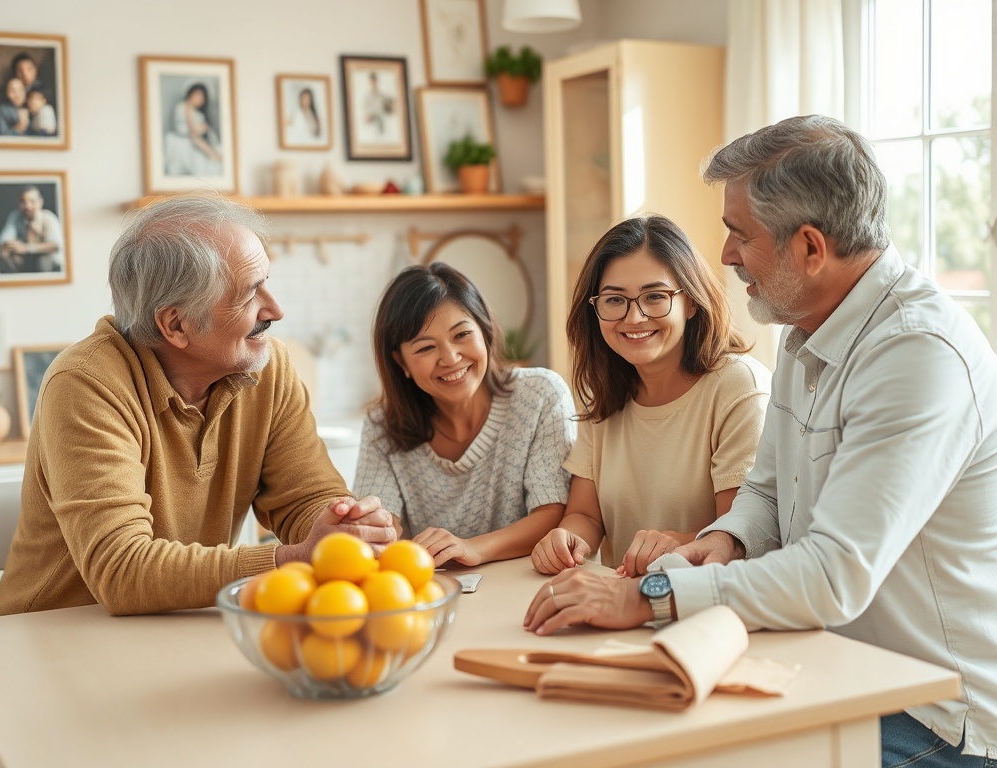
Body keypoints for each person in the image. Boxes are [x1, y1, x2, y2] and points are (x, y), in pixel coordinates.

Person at [523, 115, 997, 765]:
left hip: (933, 715)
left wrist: (646, 597)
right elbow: (767, 492)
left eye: (738, 235)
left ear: (808, 247)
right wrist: (724, 540)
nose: (723, 257)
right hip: (835, 664)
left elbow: (833, 573)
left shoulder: (917, 355)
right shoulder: (806, 332)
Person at [0, 194, 396, 617]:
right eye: (250, 293)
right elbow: (122, 570)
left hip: (174, 625)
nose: (276, 309)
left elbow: (305, 496)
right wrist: (289, 560)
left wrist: (340, 527)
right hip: (48, 636)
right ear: (176, 324)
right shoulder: (85, 385)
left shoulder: (268, 367)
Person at [530, 215, 771, 578]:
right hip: (619, 601)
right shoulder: (605, 390)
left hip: (705, 603)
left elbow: (738, 535)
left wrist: (676, 544)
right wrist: (567, 538)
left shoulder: (737, 386)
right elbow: (586, 515)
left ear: (691, 302)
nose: (634, 317)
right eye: (614, 300)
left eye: (655, 297)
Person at [353, 262, 576, 567]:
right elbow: (379, 526)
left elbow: (552, 513)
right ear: (400, 362)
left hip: (527, 585)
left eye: (461, 335)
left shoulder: (540, 395)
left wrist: (473, 548)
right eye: (425, 348)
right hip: (435, 594)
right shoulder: (383, 425)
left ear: (484, 330)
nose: (450, 358)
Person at [0, 185, 63, 274]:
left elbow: (56, 245)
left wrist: (27, 248)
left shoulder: (49, 218)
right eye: (23, 202)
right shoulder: (15, 217)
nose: (27, 206)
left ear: (40, 202)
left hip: (46, 260)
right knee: (6, 257)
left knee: (43, 261)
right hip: (24, 259)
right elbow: (5, 240)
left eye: (32, 201)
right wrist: (11, 244)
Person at [164, 82, 223, 176]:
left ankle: (214, 154)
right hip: (185, 140)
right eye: (197, 95)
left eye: (202, 97)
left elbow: (200, 132)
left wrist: (203, 129)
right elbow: (193, 131)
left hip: (196, 140)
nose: (199, 99)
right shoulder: (182, 107)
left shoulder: (199, 114)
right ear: (190, 95)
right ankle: (213, 154)